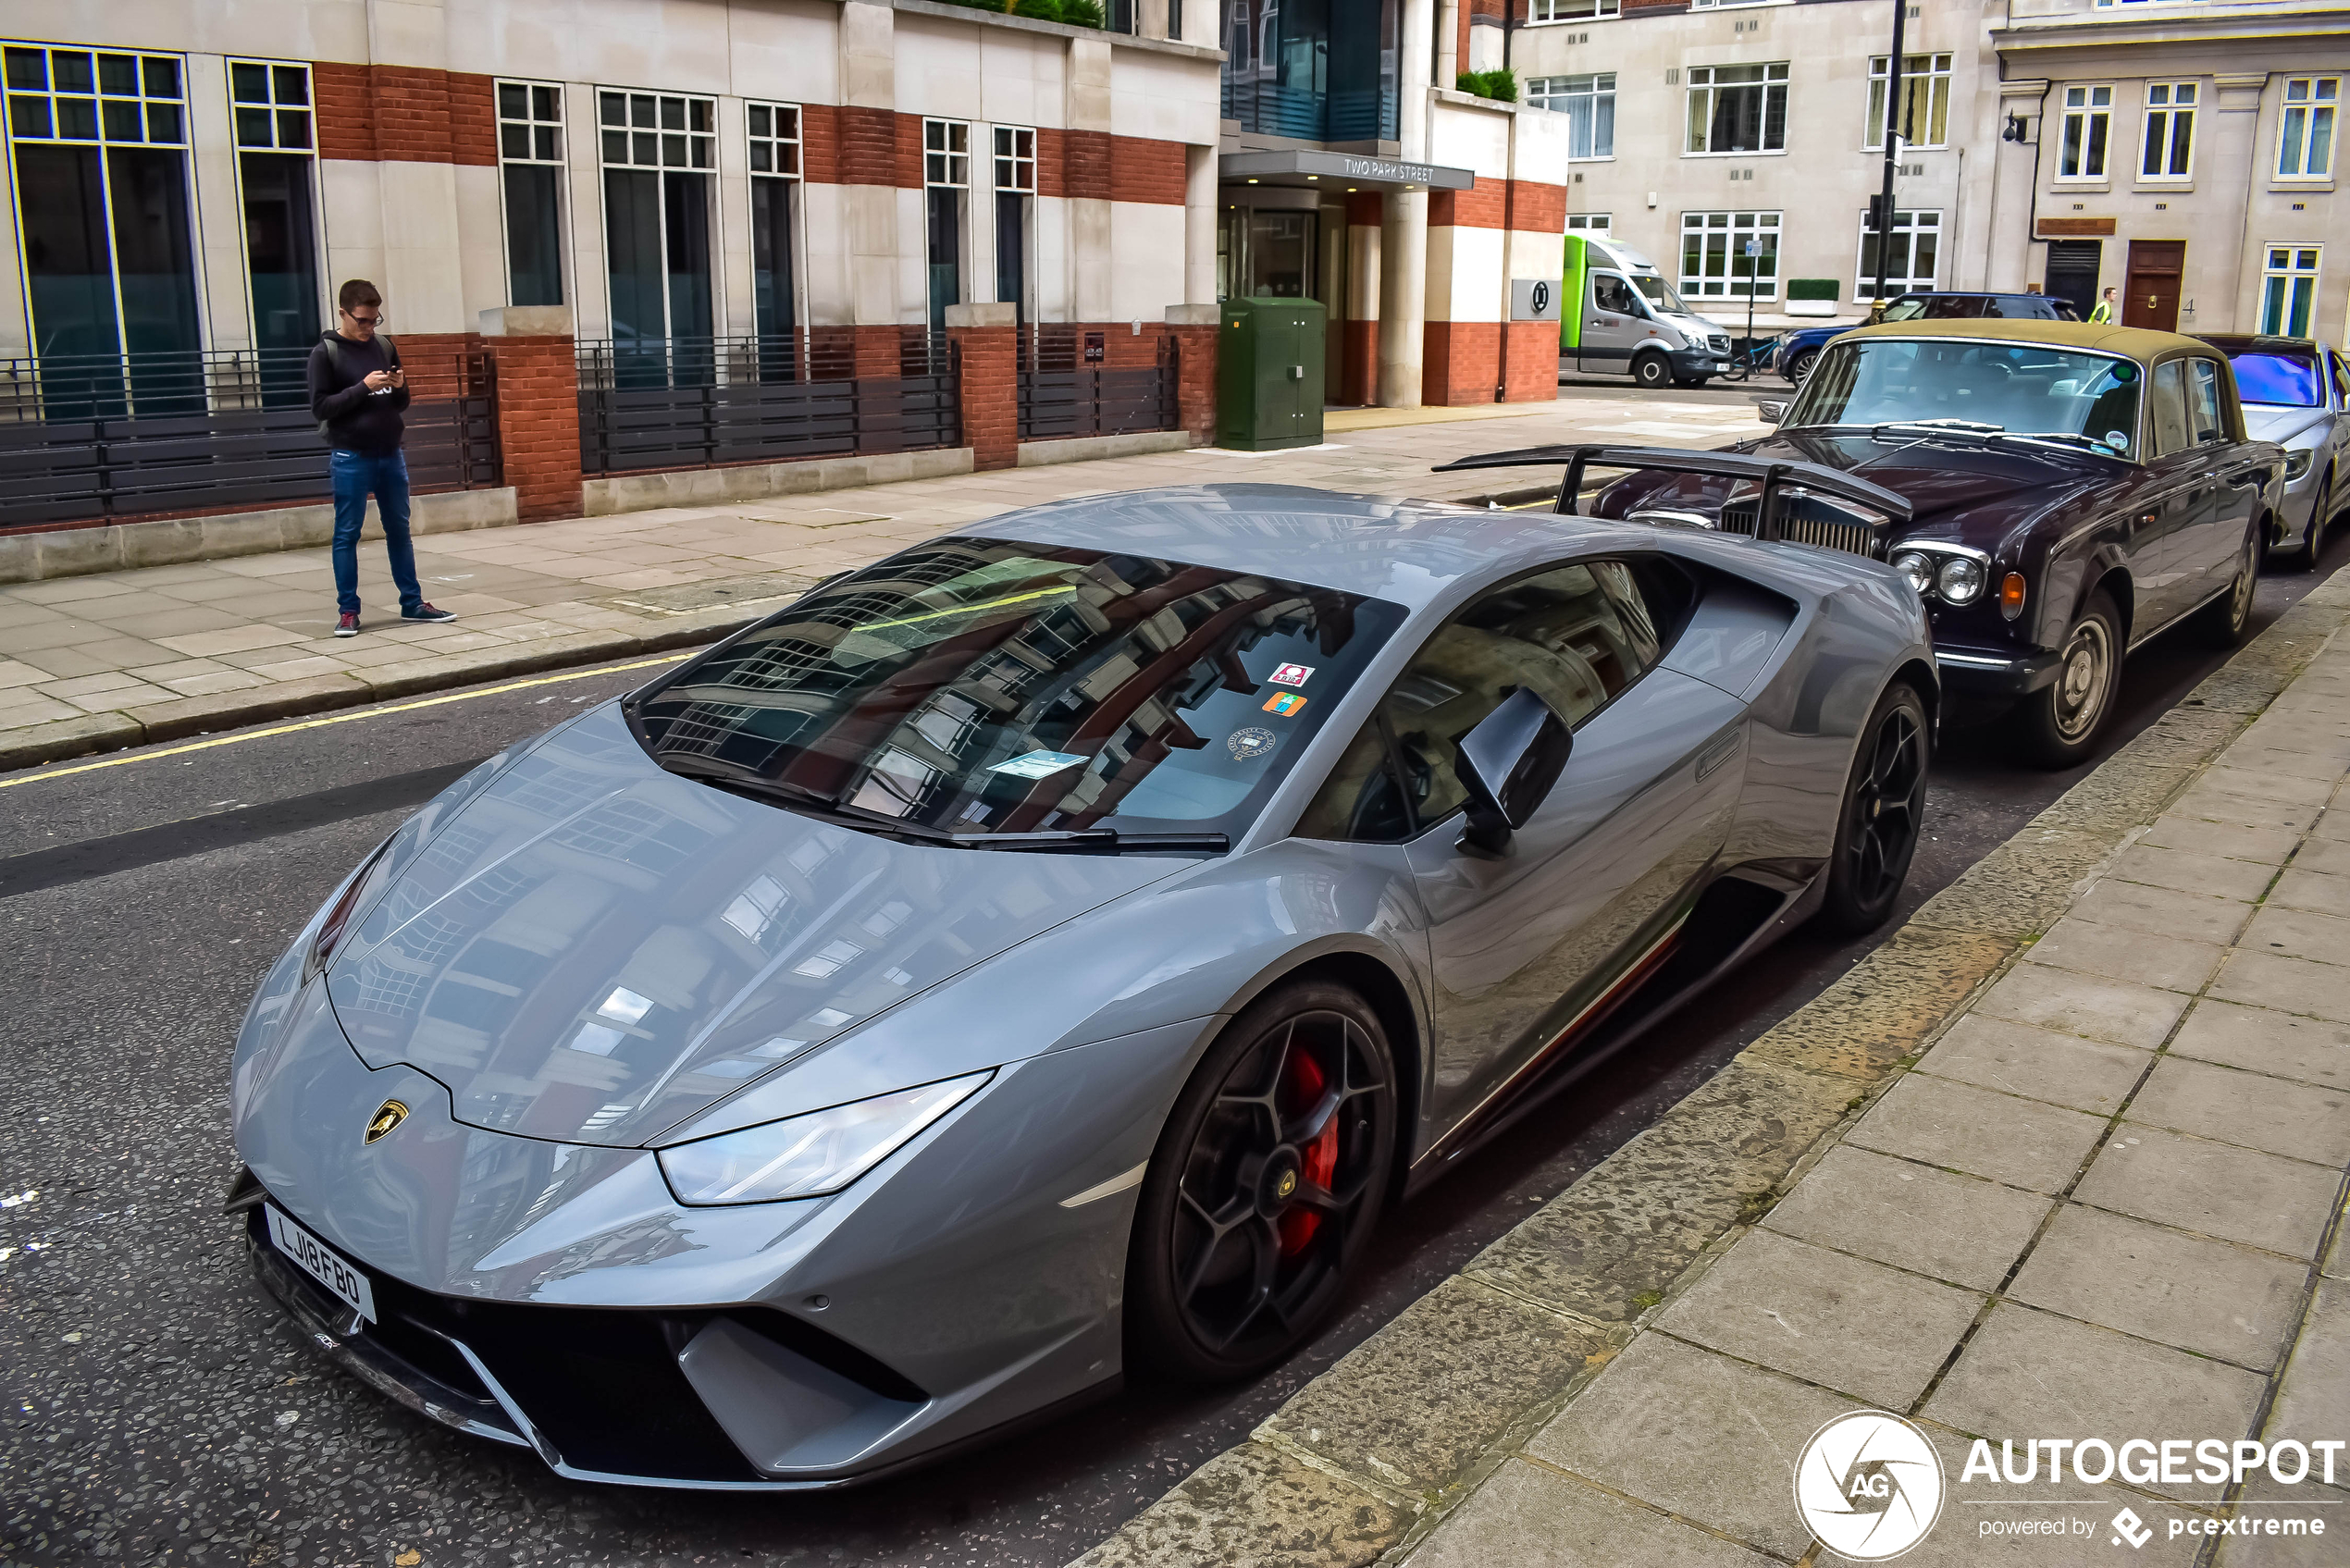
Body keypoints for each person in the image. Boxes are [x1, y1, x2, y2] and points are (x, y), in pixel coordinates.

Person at [308, 279, 456, 636]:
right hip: (351, 456)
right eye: (362, 320)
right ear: (343, 313)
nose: (370, 327)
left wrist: (401, 387)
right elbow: (321, 407)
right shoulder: (325, 353)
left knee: (399, 531)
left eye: (375, 320)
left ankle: (413, 603)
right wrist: (362, 388)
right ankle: (348, 611)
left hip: (391, 455)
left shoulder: (385, 347)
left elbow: (399, 403)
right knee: (346, 534)